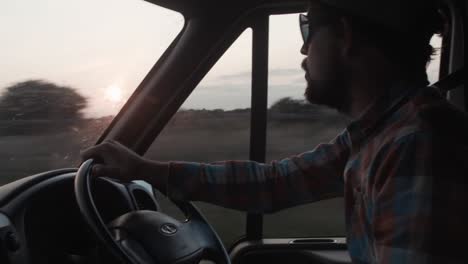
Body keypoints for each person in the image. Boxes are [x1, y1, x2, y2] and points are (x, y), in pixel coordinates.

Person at [82, 0, 468, 263]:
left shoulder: (417, 145)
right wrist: (146, 171)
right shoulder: (380, 133)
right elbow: (274, 183)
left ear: (346, 36)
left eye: (308, 30)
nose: (302, 52)